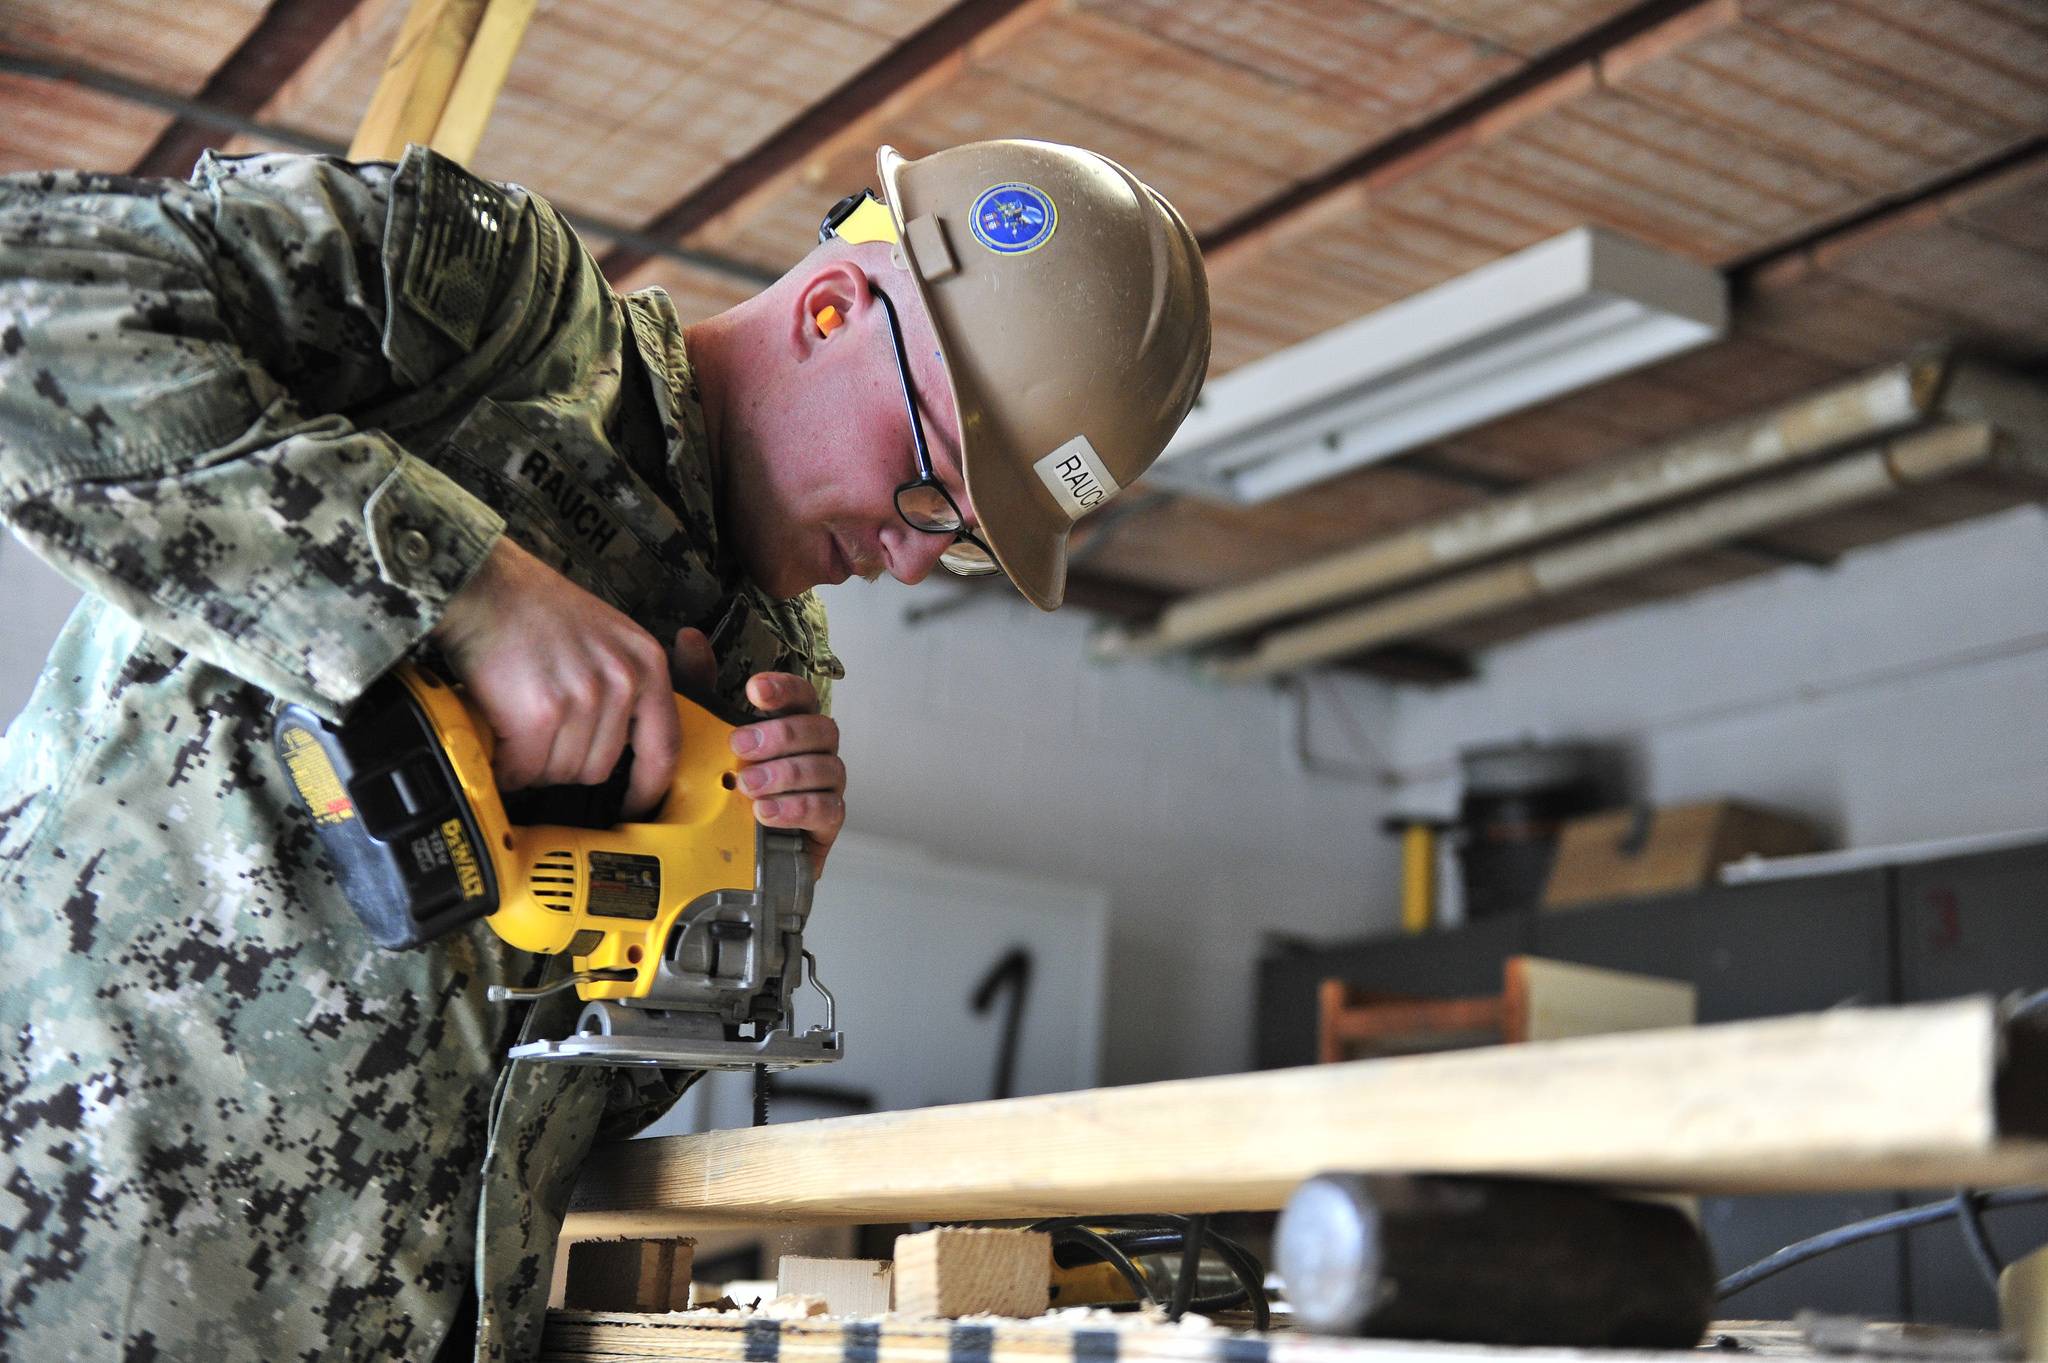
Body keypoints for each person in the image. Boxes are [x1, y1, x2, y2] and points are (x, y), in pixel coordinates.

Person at [0, 138, 1208, 1360]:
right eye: (926, 491)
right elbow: (31, 299)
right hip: (69, 1244)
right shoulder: (490, 321)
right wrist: (462, 584)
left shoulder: (771, 664)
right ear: (837, 307)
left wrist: (750, 908)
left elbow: (566, 1100)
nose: (906, 562)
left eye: (957, 546)